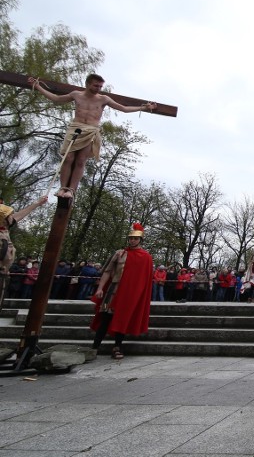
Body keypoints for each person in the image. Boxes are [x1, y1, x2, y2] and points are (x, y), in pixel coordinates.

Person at [28, 73, 157, 199]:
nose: (98, 89)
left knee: (80, 161)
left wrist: (144, 108)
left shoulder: (103, 99)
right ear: (88, 84)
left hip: (91, 130)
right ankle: (63, 188)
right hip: (76, 128)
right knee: (68, 158)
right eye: (96, 86)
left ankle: (71, 190)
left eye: (100, 87)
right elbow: (56, 99)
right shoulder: (76, 95)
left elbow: (123, 108)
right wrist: (38, 87)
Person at [90, 223, 154, 359]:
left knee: (123, 319)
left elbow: (144, 281)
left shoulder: (147, 257)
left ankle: (117, 347)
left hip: (130, 295)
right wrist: (100, 288)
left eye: (135, 239)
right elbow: (107, 272)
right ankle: (94, 348)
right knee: (105, 319)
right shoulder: (120, 253)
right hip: (113, 291)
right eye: (130, 238)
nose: (132, 241)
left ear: (140, 240)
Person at [0, 195, 48, 304]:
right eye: (9, 215)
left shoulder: (4, 230)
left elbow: (17, 216)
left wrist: (37, 203)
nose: (13, 215)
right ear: (3, 220)